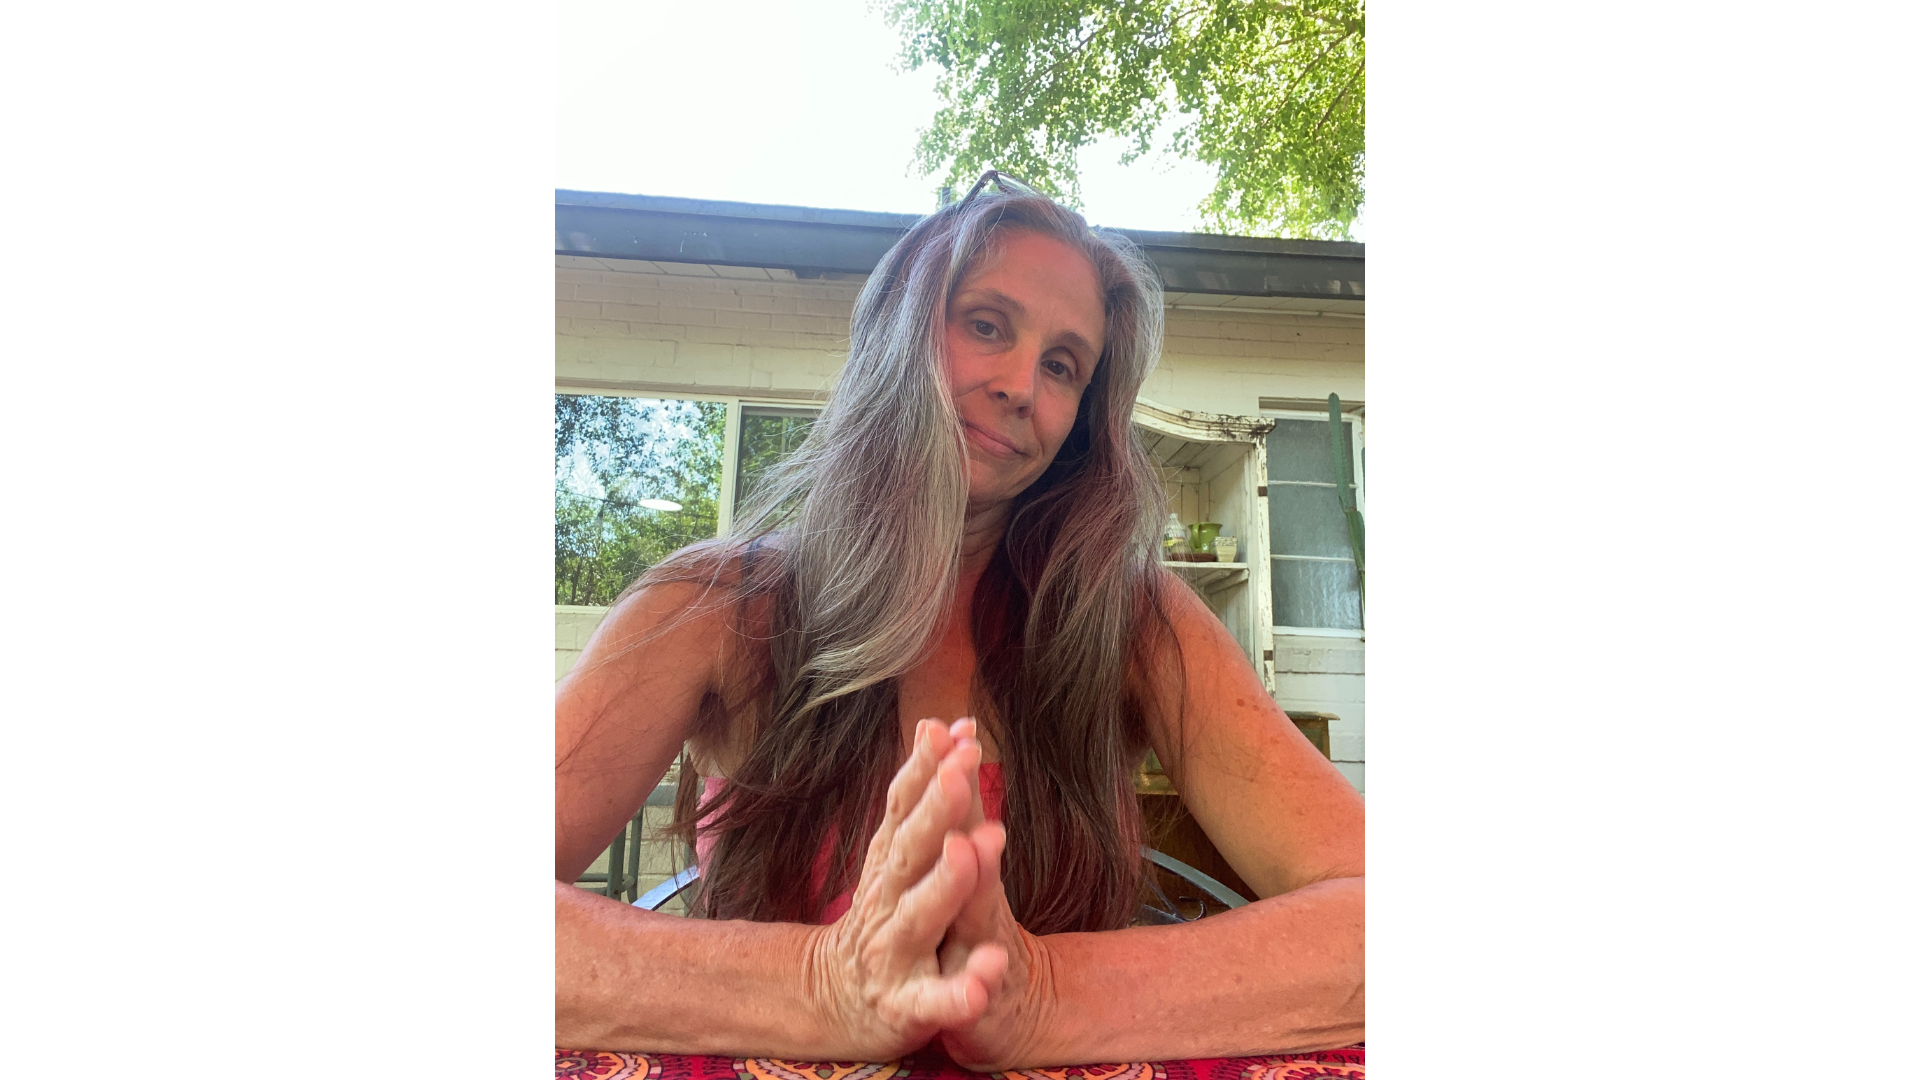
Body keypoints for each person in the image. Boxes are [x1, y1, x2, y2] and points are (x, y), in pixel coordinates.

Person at [554, 173, 1364, 1069]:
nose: (1022, 385)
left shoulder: (1133, 620)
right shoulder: (709, 605)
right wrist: (824, 984)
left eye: (1063, 366)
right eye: (985, 324)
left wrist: (1045, 998)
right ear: (895, 335)